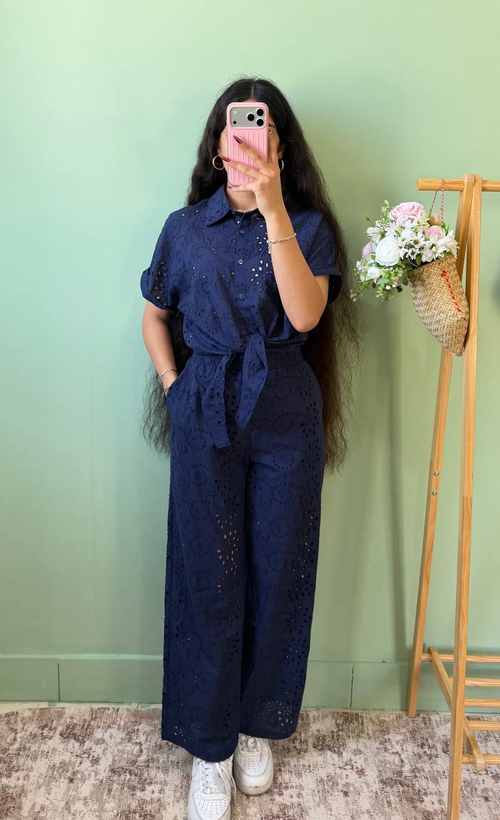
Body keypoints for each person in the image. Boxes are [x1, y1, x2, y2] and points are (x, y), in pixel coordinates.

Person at [140, 77, 359, 820]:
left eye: (258, 131)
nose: (245, 144)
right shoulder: (183, 228)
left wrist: (272, 209)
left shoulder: (308, 227)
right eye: (233, 132)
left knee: (278, 569)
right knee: (207, 574)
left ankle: (254, 725)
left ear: (280, 147)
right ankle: (210, 748)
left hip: (285, 410)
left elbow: (305, 315)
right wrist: (174, 384)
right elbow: (154, 313)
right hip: (204, 405)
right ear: (216, 145)